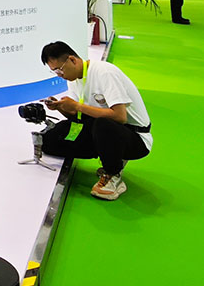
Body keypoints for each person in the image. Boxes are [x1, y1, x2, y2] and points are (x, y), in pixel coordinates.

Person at [38, 41, 153, 201]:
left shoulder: (104, 73)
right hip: (102, 131)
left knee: (103, 124)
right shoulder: (73, 79)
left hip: (135, 136)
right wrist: (60, 107)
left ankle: (113, 175)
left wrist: (77, 106)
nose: (59, 74)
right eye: (54, 71)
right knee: (49, 141)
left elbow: (120, 116)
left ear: (72, 60)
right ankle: (109, 154)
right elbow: (78, 117)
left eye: (59, 69)